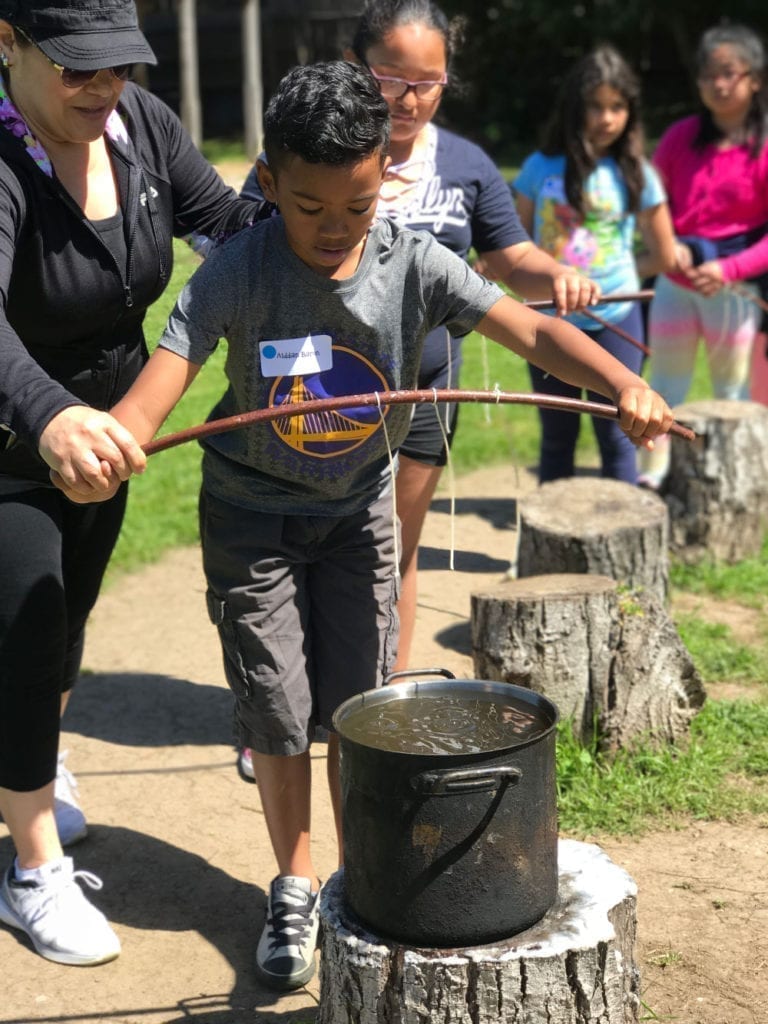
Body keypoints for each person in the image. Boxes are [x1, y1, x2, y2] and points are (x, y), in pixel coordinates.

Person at [59, 60, 675, 989]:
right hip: (253, 517)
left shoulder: (415, 263)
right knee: (273, 703)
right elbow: (162, 380)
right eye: (308, 208)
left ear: (384, 177)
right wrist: (117, 442)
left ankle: (364, 874)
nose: (333, 229)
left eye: (354, 206)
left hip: (357, 515)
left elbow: (535, 331)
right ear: (267, 182)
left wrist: (622, 381)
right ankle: (295, 883)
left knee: (359, 706)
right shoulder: (236, 269)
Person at [0, 0, 267, 967]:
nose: (103, 87)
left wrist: (305, 214)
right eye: (78, 68)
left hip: (106, 446)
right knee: (26, 631)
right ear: (8, 43)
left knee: (65, 622)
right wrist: (50, 415)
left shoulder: (141, 127)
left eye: (117, 65)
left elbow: (227, 225)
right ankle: (32, 871)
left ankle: (30, 765)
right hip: (14, 443)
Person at [240, 0, 599, 706]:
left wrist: (552, 274)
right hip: (315, 389)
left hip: (422, 390)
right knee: (305, 545)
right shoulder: (305, 157)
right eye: (392, 78)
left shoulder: (465, 163)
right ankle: (282, 703)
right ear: (354, 67)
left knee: (391, 547)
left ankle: (381, 699)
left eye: (429, 82)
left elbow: (510, 256)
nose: (409, 99)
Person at [512, 44, 677, 484]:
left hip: (617, 321)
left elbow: (663, 253)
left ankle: (623, 545)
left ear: (630, 111)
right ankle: (548, 551)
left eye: (617, 106)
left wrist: (614, 276)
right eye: (595, 106)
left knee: (621, 436)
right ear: (573, 107)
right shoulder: (538, 168)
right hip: (548, 325)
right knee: (557, 437)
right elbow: (514, 244)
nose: (606, 118)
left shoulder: (636, 173)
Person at [637, 22, 768, 490]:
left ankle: (740, 486)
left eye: (729, 73)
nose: (718, 83)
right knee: (662, 387)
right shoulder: (679, 137)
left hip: (735, 289)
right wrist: (668, 251)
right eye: (709, 74)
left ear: (754, 79)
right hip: (676, 282)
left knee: (733, 394)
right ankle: (652, 479)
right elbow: (654, 203)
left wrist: (728, 269)